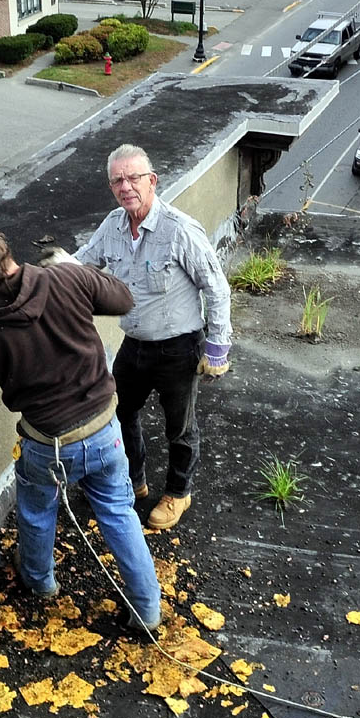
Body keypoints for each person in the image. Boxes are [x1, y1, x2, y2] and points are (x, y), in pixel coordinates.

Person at [0, 226, 162, 630]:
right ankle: (148, 612)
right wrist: (75, 268)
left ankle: (41, 583)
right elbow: (123, 298)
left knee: (37, 511)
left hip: (49, 445)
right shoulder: (65, 277)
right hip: (104, 431)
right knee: (119, 513)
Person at [72, 144, 233, 531]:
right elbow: (80, 266)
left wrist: (216, 347)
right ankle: (133, 479)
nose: (126, 186)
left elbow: (217, 288)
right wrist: (33, 278)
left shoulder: (178, 229)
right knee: (119, 412)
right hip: (135, 345)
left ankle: (179, 493)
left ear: (152, 181)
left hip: (179, 348)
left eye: (133, 178)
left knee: (180, 427)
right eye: (118, 180)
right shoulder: (112, 226)